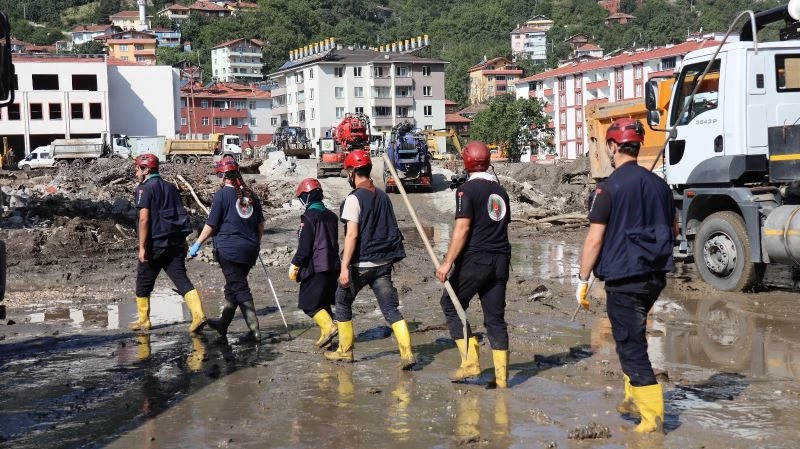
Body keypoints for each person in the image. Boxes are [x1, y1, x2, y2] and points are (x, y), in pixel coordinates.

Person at [576, 118, 676, 433]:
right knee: (633, 335)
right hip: (655, 276)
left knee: (630, 345)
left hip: (624, 278)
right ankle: (633, 398)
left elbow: (594, 239)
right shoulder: (660, 185)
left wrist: (582, 279)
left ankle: (652, 419)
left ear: (613, 146)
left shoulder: (608, 187)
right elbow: (673, 230)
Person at [324, 150, 416, 370]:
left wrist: (344, 267)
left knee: (343, 302)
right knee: (391, 309)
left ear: (352, 172)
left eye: (348, 171)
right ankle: (407, 353)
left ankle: (345, 352)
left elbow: (352, 235)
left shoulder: (353, 199)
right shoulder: (383, 196)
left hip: (361, 264)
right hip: (383, 264)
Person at [435, 141, 512, 388]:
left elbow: (462, 228)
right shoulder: (500, 191)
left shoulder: (465, 191)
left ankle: (470, 362)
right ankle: (501, 380)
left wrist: (447, 262)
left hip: (476, 259)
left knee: (451, 303)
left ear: (466, 162)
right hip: (501, 261)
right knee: (495, 319)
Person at [129, 154, 208, 334]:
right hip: (175, 243)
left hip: (155, 244)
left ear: (146, 170)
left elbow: (144, 220)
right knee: (181, 279)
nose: (135, 173)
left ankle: (144, 321)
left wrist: (142, 248)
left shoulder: (144, 190)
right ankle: (198, 315)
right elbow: (179, 214)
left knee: (143, 281)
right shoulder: (171, 188)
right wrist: (184, 241)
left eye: (137, 169)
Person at [189, 158, 265, 341]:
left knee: (239, 287)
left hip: (229, 250)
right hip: (250, 249)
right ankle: (223, 323)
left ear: (223, 175)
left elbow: (211, 225)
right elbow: (261, 225)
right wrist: (255, 242)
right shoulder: (251, 195)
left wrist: (197, 243)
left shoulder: (222, 195)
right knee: (233, 286)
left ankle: (255, 330)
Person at [289, 178, 340, 349]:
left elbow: (305, 247)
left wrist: (295, 264)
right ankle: (328, 338)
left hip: (316, 267)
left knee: (308, 303)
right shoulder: (331, 216)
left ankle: (329, 327)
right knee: (323, 303)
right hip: (333, 266)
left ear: (307, 196)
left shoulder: (309, 217)